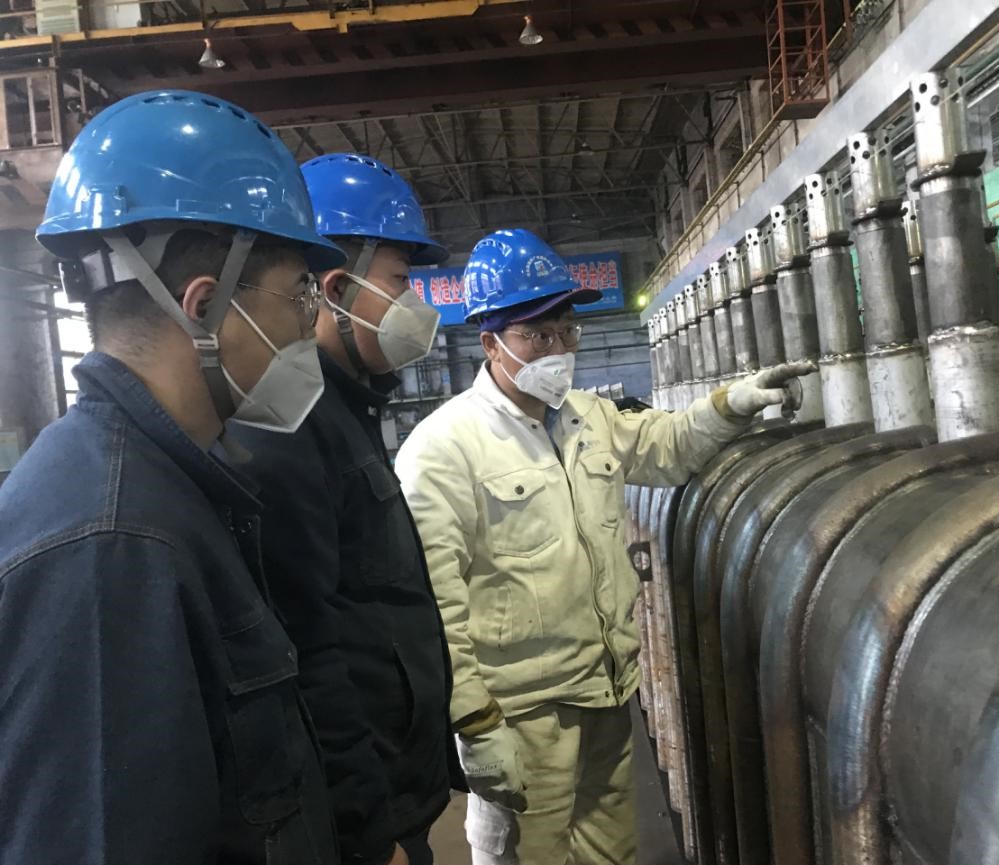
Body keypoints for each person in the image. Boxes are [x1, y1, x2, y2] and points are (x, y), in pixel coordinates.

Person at [0, 90, 348, 864]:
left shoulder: (172, 489)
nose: (309, 326)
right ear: (204, 305)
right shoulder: (111, 545)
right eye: (299, 296)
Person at [394, 228, 814, 865]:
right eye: (538, 336)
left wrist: (734, 404)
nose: (559, 350)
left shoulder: (587, 417)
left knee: (610, 855)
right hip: (522, 715)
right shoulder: (444, 448)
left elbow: (669, 446)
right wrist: (475, 724)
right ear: (490, 343)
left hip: (606, 692)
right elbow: (435, 603)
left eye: (566, 331)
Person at [229, 153, 461, 865]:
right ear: (336, 288)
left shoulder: (347, 412)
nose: (416, 303)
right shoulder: (293, 425)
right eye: (400, 281)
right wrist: (368, 834)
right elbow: (309, 652)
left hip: (400, 787)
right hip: (370, 816)